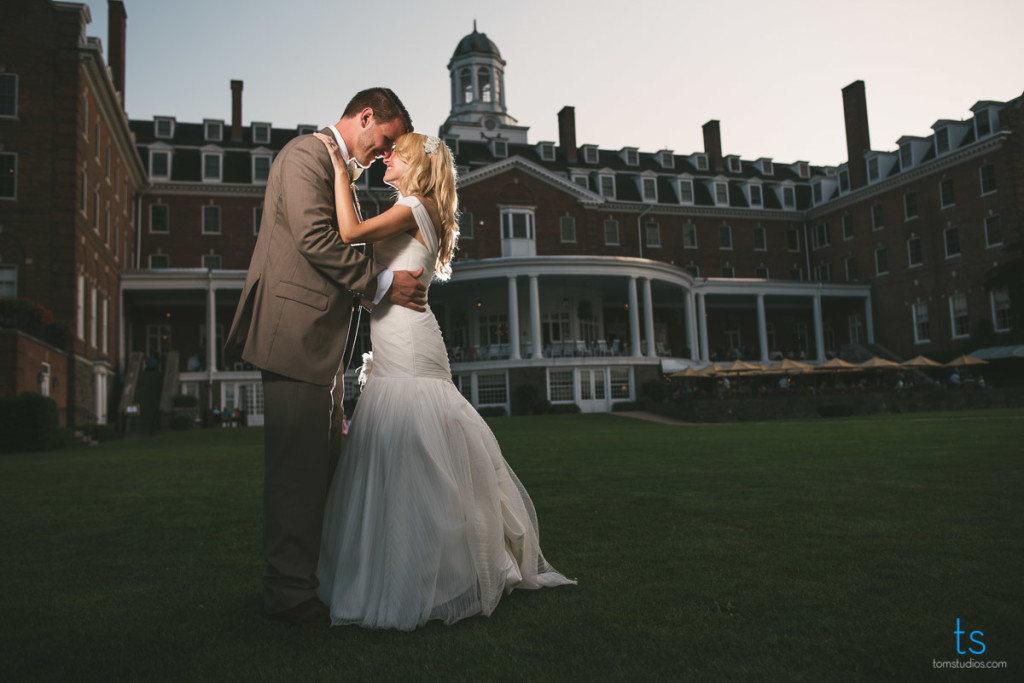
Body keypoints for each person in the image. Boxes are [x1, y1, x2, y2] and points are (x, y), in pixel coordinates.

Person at [313, 131, 574, 630]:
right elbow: (384, 280)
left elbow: (348, 232)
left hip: (409, 344)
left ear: (417, 165)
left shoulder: (415, 204)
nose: (387, 156)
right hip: (398, 336)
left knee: (417, 452)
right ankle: (404, 566)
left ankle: (434, 573)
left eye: (397, 152)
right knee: (400, 450)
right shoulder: (419, 208)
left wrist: (341, 172)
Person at [223, 88, 428, 628]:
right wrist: (382, 283)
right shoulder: (305, 155)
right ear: (365, 117)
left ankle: (311, 582)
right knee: (297, 473)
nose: (383, 153)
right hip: (294, 338)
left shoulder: (334, 166)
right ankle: (289, 596)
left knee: (321, 468)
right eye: (384, 139)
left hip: (321, 344)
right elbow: (317, 239)